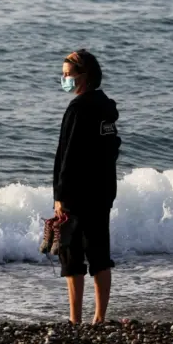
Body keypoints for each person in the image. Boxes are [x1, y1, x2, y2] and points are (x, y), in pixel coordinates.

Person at [41, 49, 121, 325]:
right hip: (102, 194)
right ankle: (99, 318)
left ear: (83, 77)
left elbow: (69, 155)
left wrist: (60, 196)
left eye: (67, 75)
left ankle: (75, 320)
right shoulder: (106, 108)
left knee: (71, 257)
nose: (63, 79)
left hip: (76, 196)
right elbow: (113, 149)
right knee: (100, 255)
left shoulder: (78, 108)